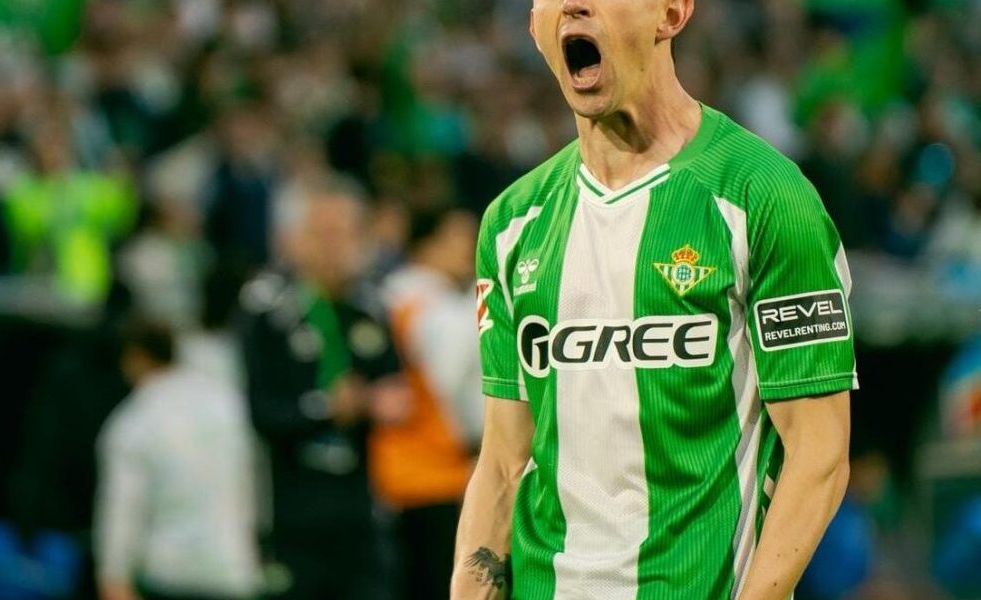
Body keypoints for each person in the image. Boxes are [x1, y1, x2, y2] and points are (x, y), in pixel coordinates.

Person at [451, 1, 856, 599]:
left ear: (671, 12)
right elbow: (504, 462)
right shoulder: (512, 222)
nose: (574, 4)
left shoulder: (765, 196)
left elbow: (819, 454)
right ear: (534, 29)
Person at [239, 176, 408, 600]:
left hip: (361, 510)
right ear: (296, 239)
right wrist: (326, 408)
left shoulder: (372, 308)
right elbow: (260, 410)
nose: (335, 247)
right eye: (323, 233)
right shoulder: (267, 309)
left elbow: (394, 394)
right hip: (290, 511)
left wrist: (379, 403)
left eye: (346, 234)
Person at [94, 319, 262, 600]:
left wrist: (113, 575)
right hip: (233, 570)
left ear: (134, 357)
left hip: (168, 576)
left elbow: (123, 504)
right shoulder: (227, 403)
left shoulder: (134, 421)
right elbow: (255, 482)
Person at [374, 206, 484, 600]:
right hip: (433, 467)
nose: (470, 247)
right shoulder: (431, 304)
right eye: (458, 237)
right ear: (425, 244)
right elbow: (450, 384)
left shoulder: (389, 295)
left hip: (401, 469)